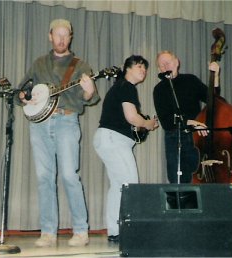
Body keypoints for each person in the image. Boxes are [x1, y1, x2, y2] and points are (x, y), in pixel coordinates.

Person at [16, 19, 99, 247]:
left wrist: (89, 91)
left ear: (70, 38)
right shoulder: (39, 63)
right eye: (58, 35)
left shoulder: (81, 66)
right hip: (39, 124)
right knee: (44, 178)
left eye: (66, 35)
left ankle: (81, 230)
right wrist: (24, 95)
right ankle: (48, 232)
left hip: (66, 120)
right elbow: (21, 91)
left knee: (69, 176)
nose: (62, 39)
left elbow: (89, 98)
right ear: (50, 36)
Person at [93, 55, 158, 243]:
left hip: (108, 138)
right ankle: (131, 231)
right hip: (114, 139)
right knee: (130, 185)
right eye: (139, 66)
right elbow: (132, 118)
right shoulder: (127, 87)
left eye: (145, 68)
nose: (143, 71)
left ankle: (116, 231)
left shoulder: (120, 88)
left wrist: (142, 124)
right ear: (126, 68)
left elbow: (127, 120)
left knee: (118, 187)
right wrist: (147, 123)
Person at [153, 50, 219, 184]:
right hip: (174, 137)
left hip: (197, 138)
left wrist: (216, 76)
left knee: (200, 178)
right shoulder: (159, 90)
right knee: (178, 181)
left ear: (177, 62)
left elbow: (214, 100)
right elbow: (166, 121)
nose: (165, 66)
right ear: (159, 69)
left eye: (168, 62)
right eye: (161, 65)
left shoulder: (191, 80)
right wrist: (193, 122)